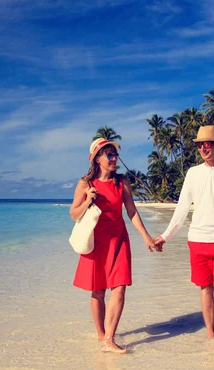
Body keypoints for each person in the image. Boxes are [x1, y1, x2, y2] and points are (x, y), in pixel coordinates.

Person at [70, 138, 160, 354]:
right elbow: (73, 214)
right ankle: (101, 335)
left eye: (115, 154)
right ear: (97, 158)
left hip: (119, 240)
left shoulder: (122, 182)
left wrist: (147, 237)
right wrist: (87, 201)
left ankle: (109, 339)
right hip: (96, 242)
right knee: (98, 291)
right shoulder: (86, 183)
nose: (114, 158)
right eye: (109, 155)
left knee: (119, 288)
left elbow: (131, 212)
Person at [154, 125, 214, 339]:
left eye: (207, 143)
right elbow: (182, 208)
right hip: (197, 239)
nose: (202, 148)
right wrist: (165, 236)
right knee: (205, 288)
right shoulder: (193, 173)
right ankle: (211, 336)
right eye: (199, 144)